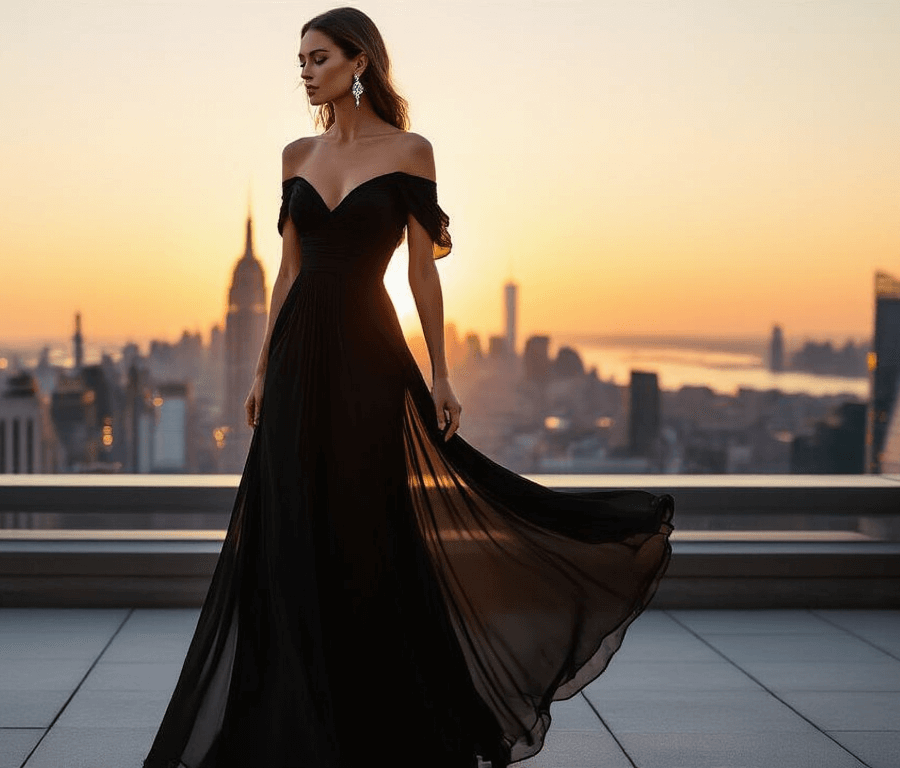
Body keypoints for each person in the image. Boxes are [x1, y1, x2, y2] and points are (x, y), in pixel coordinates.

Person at [143, 7, 673, 767]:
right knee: (291, 523)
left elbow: (422, 269)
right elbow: (289, 274)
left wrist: (442, 370)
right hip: (297, 360)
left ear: (359, 62)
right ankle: (291, 712)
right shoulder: (294, 154)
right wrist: (261, 368)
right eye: (299, 59)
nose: (304, 69)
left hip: (369, 353)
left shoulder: (411, 152)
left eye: (317, 56)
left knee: (366, 522)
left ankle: (380, 711)